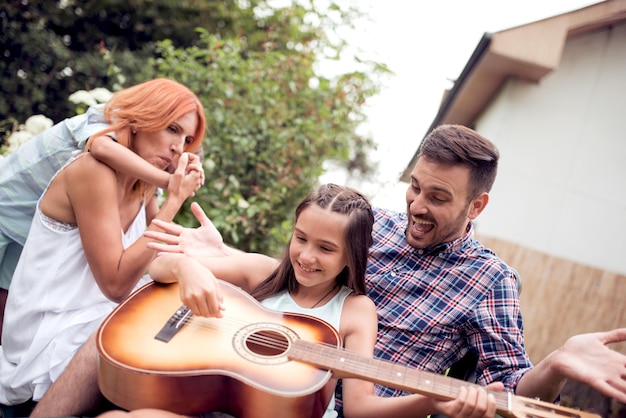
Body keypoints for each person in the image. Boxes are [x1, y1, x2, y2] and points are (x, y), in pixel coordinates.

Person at [29, 126, 626, 416]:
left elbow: (510, 388)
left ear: (477, 206)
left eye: (438, 199)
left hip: (355, 404)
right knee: (115, 331)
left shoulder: (491, 280)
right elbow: (299, 280)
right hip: (270, 369)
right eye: (415, 187)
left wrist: (553, 365)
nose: (417, 207)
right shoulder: (378, 224)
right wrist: (214, 256)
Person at [97, 183, 500, 418]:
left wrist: (431, 398)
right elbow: (160, 264)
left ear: (352, 256)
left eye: (326, 248)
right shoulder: (262, 273)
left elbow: (359, 409)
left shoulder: (355, 310)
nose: (306, 256)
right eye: (301, 238)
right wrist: (188, 270)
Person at [0, 78, 206, 411]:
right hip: (50, 333)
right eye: (172, 129)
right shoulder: (93, 171)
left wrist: (202, 251)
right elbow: (115, 282)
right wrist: (175, 197)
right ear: (141, 119)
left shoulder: (143, 183)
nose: (178, 149)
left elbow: (153, 251)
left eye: (186, 141)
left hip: (87, 314)